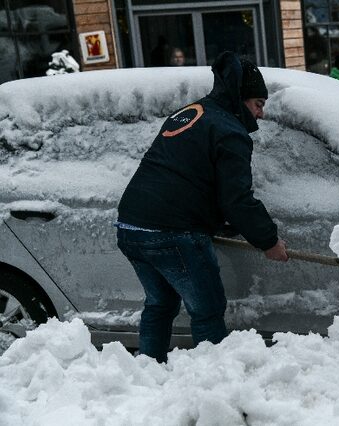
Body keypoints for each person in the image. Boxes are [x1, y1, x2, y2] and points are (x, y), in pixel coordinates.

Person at [116, 51, 288, 363]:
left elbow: (187, 174)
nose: (260, 115)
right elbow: (237, 199)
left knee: (160, 303)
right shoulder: (231, 132)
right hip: (172, 233)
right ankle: (215, 385)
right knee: (207, 310)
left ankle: (147, 372)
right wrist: (269, 241)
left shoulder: (192, 112)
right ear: (241, 98)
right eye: (258, 104)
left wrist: (219, 222)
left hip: (130, 226)